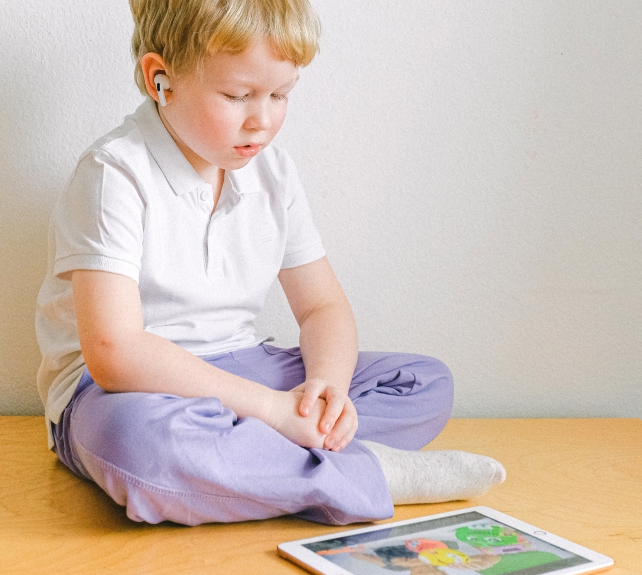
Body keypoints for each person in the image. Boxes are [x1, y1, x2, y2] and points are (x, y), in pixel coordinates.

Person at [35, 0, 505, 527]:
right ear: (160, 78)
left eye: (281, 94)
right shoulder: (114, 174)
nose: (262, 120)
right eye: (238, 96)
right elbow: (115, 354)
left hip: (241, 365)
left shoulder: (273, 174)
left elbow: (323, 307)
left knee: (423, 381)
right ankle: (367, 474)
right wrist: (273, 410)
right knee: (140, 447)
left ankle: (265, 461)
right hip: (125, 392)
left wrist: (326, 387)